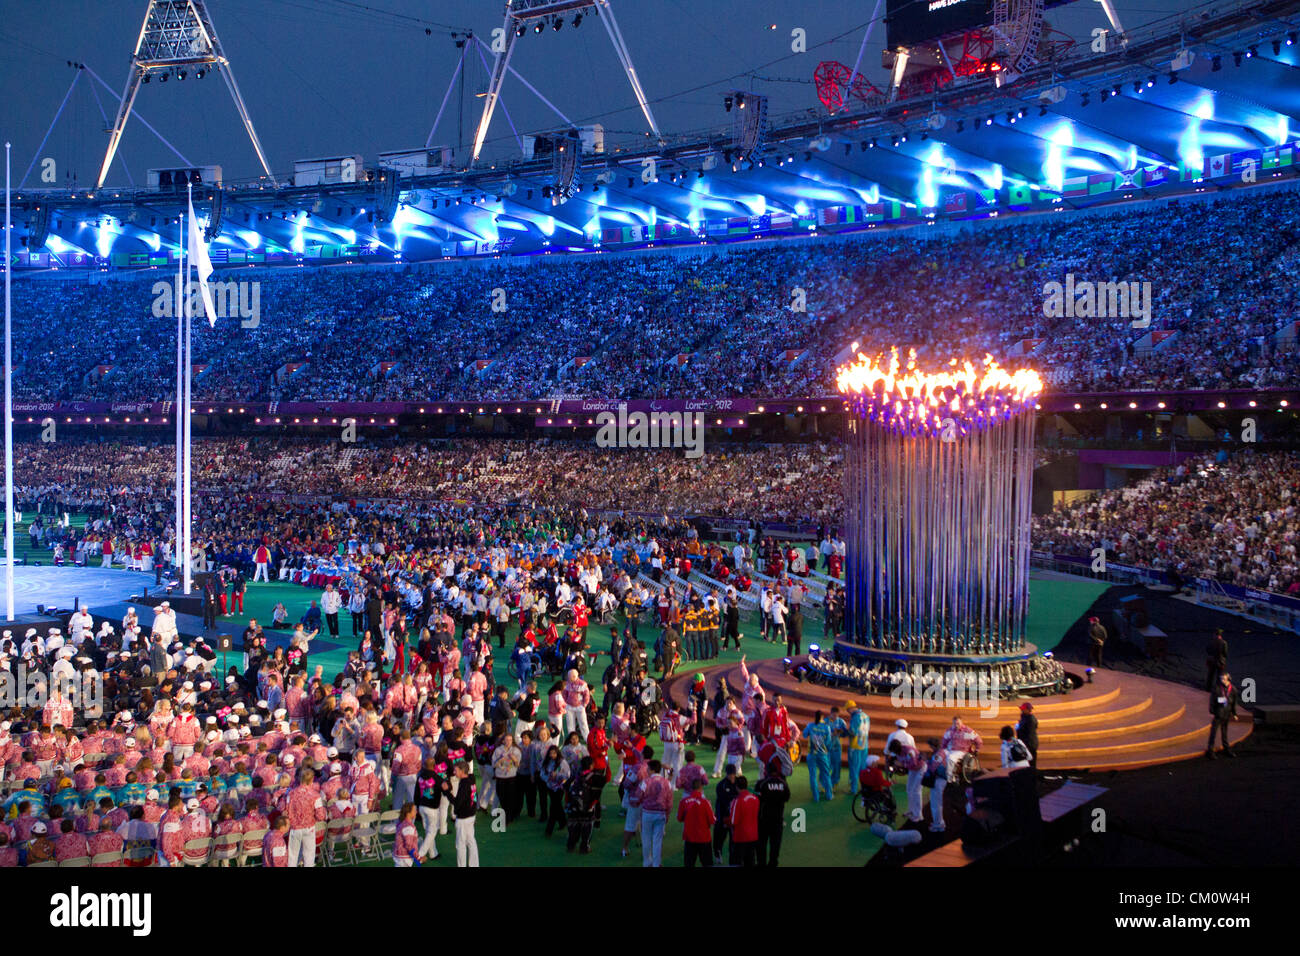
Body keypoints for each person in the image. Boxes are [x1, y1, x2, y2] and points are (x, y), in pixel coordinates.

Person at [638, 759, 674, 867]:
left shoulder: (645, 782)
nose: (647, 770)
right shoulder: (667, 782)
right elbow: (670, 801)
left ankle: (646, 862)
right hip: (660, 814)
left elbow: (639, 795)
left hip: (647, 813)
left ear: (652, 770)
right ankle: (656, 863)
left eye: (648, 769)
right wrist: (667, 815)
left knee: (646, 839)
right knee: (657, 840)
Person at [755, 760, 790, 867]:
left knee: (761, 844)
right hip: (778, 819)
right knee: (775, 845)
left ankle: (761, 863)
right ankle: (773, 863)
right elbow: (787, 797)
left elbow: (757, 799)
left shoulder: (762, 783)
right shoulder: (783, 784)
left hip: (764, 819)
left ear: (767, 771)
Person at [677, 776, 715, 867]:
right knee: (707, 864)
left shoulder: (684, 801)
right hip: (704, 839)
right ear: (701, 788)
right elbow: (712, 820)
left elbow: (679, 818)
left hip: (689, 838)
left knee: (689, 864)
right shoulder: (706, 802)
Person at [449, 760, 479, 866]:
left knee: (460, 844)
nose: (454, 772)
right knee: (471, 841)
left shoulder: (464, 784)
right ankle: (474, 864)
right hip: (471, 815)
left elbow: (457, 803)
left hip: (463, 818)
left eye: (456, 770)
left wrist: (448, 792)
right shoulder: (471, 779)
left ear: (462, 771)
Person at [803, 710, 834, 802]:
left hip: (812, 754)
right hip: (823, 754)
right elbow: (828, 742)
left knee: (812, 775)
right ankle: (829, 795)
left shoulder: (810, 725)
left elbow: (804, 734)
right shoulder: (826, 727)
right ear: (822, 717)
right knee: (826, 775)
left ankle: (816, 797)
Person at [1206, 672, 1239, 759]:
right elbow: (1212, 700)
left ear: (1229, 679)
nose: (1222, 681)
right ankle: (1210, 750)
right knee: (1213, 732)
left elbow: (1234, 703)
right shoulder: (1217, 688)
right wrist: (1212, 711)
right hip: (1218, 713)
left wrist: (1234, 713)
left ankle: (1226, 748)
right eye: (1221, 679)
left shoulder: (1233, 690)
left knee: (1224, 732)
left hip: (1227, 713)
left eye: (1224, 679)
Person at [728, 776, 759, 867]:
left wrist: (725, 821)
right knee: (750, 861)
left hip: (740, 836)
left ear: (737, 786)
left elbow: (733, 821)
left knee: (737, 862)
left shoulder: (737, 800)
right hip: (753, 836)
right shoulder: (755, 798)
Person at [845, 700, 870, 793]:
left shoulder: (855, 717)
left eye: (847, 710)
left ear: (850, 709)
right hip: (864, 745)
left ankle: (853, 789)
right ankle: (864, 787)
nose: (847, 712)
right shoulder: (866, 716)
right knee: (863, 768)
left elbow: (853, 732)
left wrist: (843, 732)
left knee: (854, 768)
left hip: (855, 746)